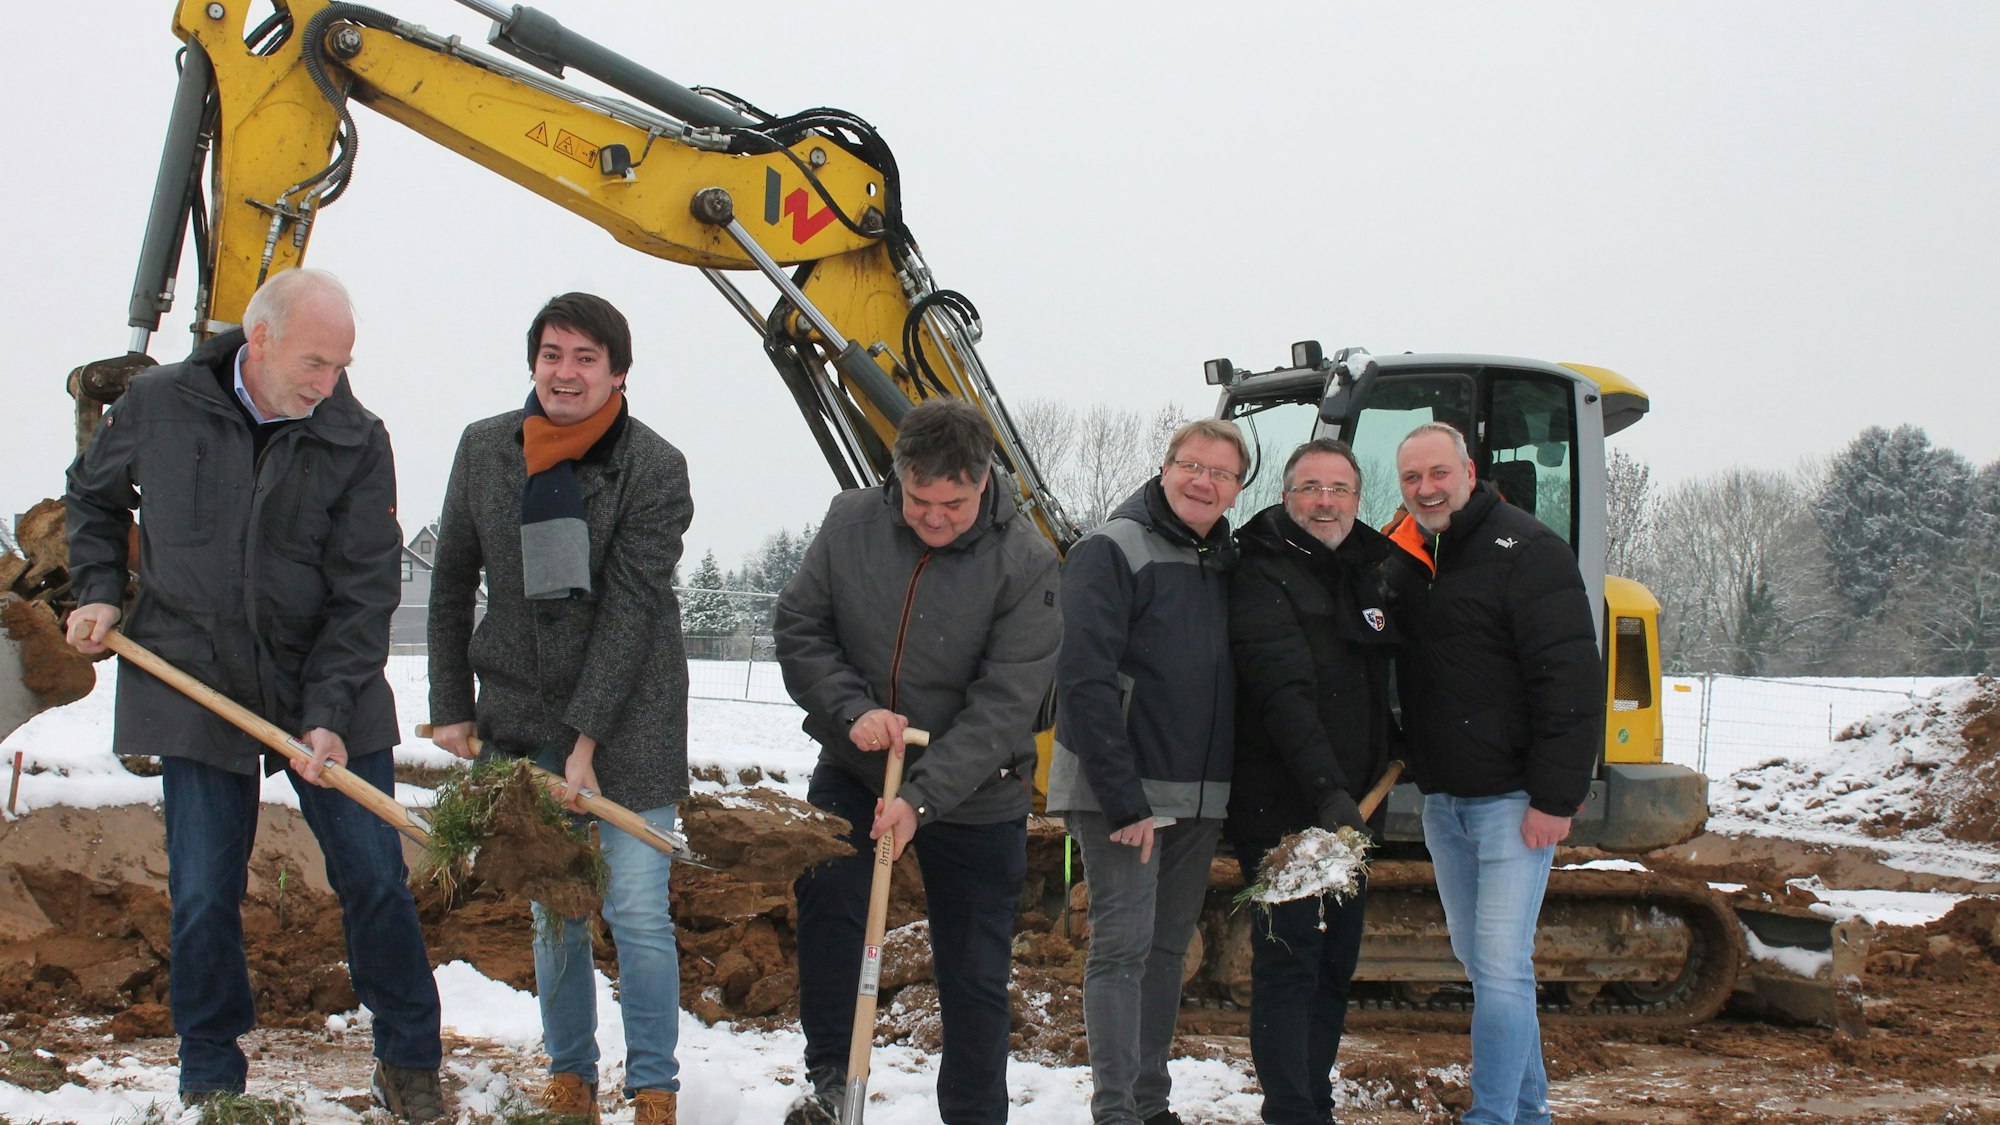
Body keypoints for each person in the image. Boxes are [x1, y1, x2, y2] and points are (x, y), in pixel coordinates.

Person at [63, 268, 446, 1120]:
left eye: (342, 364)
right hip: (196, 682)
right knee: (201, 888)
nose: (329, 383)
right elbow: (90, 497)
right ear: (260, 339)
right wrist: (94, 586)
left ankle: (410, 1058)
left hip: (327, 685)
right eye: (315, 362)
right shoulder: (159, 405)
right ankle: (209, 1074)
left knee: (375, 876)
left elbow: (363, 591)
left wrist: (328, 712)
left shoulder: (354, 435)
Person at [426, 292, 693, 1125]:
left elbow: (629, 608)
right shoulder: (485, 449)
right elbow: (451, 577)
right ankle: (571, 1074)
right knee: (555, 905)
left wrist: (586, 740)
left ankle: (654, 1086)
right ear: (533, 363)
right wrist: (451, 704)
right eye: (552, 354)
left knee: (638, 907)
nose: (565, 372)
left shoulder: (655, 466)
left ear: (618, 372)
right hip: (519, 707)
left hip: (632, 712)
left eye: (585, 357)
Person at [774, 398, 1061, 1125]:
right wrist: (850, 711)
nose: (934, 517)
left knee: (972, 965)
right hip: (860, 764)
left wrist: (920, 801)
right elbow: (801, 627)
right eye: (919, 499)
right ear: (896, 476)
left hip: (977, 788)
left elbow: (1004, 706)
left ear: (985, 480)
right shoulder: (851, 524)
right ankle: (834, 1081)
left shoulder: (1024, 561)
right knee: (831, 900)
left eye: (954, 504)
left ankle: (972, 1112)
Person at [1384, 421, 1603, 1125]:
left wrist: (1555, 795)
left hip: (1514, 803)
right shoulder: (1411, 557)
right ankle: (1529, 1110)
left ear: (1469, 472)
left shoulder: (1527, 550)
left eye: (1438, 473)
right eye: (1412, 478)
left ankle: (1491, 1116)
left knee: (1501, 964)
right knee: (1485, 964)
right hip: (1443, 801)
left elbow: (1569, 678)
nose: (1426, 488)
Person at [1045, 418, 1247, 1125]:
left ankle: (1149, 1102)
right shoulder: (1111, 547)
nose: (1204, 481)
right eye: (1193, 465)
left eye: (1222, 474)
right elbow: (1084, 678)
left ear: (1237, 489)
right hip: (1123, 792)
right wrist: (1122, 795)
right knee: (1122, 949)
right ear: (1165, 468)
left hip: (1198, 791)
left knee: (1166, 951)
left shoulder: (1226, 560)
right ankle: (1115, 1111)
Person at [1227, 439, 1398, 1125]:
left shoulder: (1371, 569)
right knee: (1291, 963)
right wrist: (1328, 790)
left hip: (1355, 808)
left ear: (1358, 499)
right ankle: (1289, 1110)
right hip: (1284, 810)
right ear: (1286, 494)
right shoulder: (1260, 569)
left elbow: (1383, 678)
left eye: (1339, 489)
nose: (1324, 502)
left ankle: (1313, 1099)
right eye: (1309, 487)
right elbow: (1284, 692)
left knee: (1334, 963)